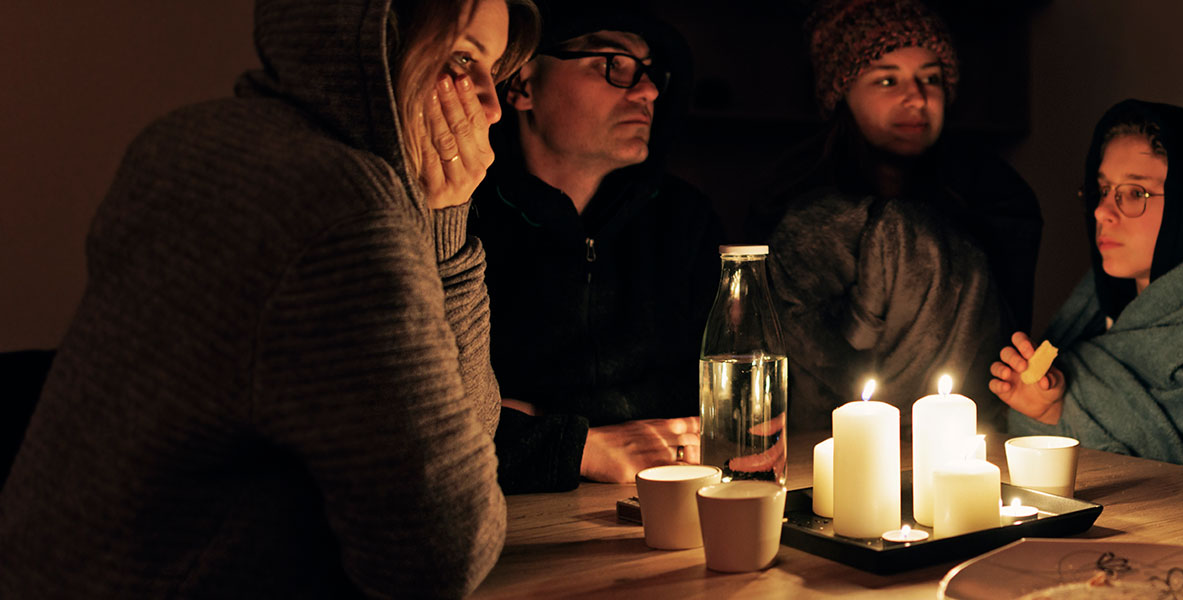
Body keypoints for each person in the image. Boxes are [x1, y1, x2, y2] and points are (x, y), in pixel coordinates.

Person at [0, 0, 537, 595]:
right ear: (372, 38)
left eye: (494, 72)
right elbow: (442, 555)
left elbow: (464, 435)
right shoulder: (340, 209)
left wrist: (442, 219)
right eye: (463, 60)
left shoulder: (181, 139)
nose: (490, 104)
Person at [756, 0, 1041, 431]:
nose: (918, 97)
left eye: (931, 78)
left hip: (954, 436)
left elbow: (1000, 339)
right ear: (842, 93)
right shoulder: (793, 200)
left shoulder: (993, 196)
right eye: (887, 80)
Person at [469, 2, 719, 492]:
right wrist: (575, 448)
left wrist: (537, 416)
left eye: (649, 72)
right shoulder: (463, 223)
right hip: (515, 526)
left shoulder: (685, 221)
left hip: (664, 503)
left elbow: (709, 398)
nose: (647, 90)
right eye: (615, 65)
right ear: (522, 84)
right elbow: (435, 424)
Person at [987, 100, 1183, 464]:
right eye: (1102, 190)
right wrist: (1045, 411)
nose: (1102, 211)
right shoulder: (1091, 310)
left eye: (1135, 193)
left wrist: (1065, 413)